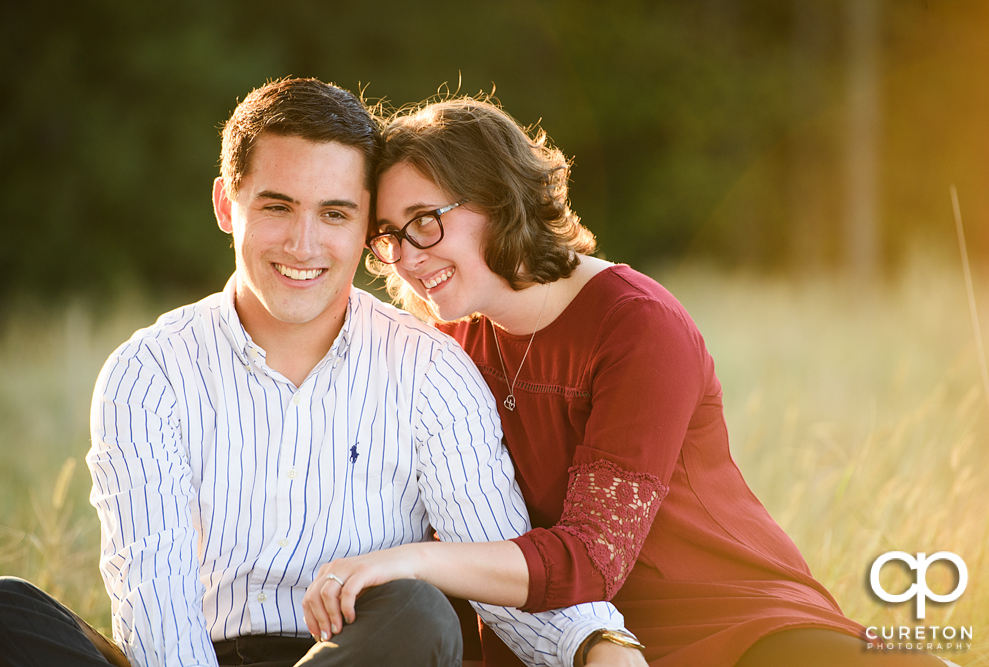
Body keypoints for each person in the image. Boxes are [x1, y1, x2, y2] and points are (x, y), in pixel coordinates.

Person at [0, 79, 634, 667]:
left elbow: (499, 570)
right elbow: (155, 605)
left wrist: (599, 646)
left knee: (418, 612)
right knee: (3, 611)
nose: (304, 245)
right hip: (195, 658)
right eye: (277, 208)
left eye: (334, 214)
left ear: (366, 229)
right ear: (225, 204)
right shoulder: (149, 374)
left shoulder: (430, 371)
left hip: (363, 654)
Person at [308, 96, 954, 667]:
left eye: (425, 220)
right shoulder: (447, 345)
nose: (407, 257)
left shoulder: (637, 324)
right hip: (569, 639)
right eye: (388, 237)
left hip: (733, 619)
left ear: (498, 198)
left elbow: (592, 557)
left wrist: (411, 563)